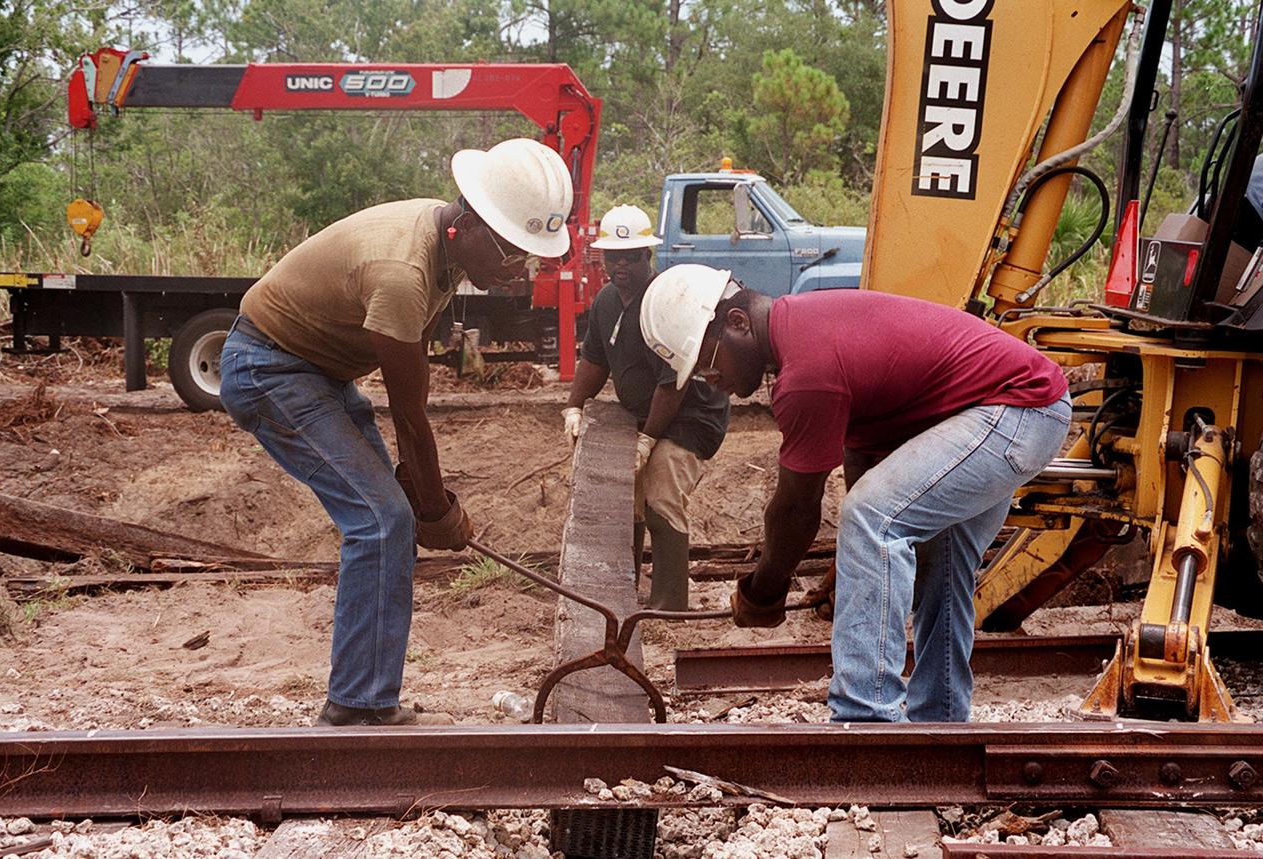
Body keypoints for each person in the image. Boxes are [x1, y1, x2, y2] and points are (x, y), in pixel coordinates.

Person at [219, 138, 574, 726]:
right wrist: (435, 508)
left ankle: (365, 698)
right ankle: (356, 708)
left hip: (317, 372)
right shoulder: (404, 271)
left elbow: (410, 416)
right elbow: (409, 411)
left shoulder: (443, 246)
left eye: (526, 256)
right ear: (472, 223)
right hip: (268, 368)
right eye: (512, 251)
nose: (518, 269)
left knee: (389, 517)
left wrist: (425, 495)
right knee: (383, 520)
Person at [639, 264, 1070, 722]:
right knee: (939, 557)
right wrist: (853, 570)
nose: (712, 380)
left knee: (871, 518)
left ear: (737, 323)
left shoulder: (805, 372)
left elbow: (797, 509)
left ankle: (863, 716)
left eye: (708, 364)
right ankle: (940, 721)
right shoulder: (805, 329)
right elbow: (863, 458)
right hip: (1015, 409)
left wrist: (763, 591)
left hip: (1015, 409)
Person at [561, 207, 729, 610]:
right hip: (643, 415)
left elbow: (671, 384)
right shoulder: (605, 302)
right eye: (613, 256)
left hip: (688, 418)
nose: (621, 265)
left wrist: (648, 440)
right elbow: (594, 360)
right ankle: (623, 592)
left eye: (631, 256)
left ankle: (670, 602)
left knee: (661, 492)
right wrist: (573, 406)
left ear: (646, 257)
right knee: (626, 499)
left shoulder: (662, 302)